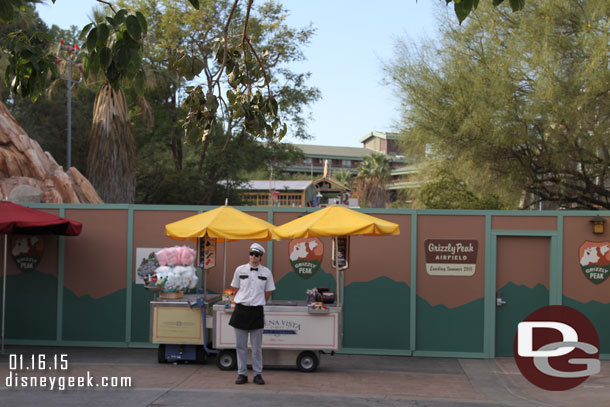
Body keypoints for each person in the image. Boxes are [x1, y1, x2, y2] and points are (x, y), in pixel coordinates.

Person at [228, 242, 275, 385]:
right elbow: (235, 289)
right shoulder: (239, 270)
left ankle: (257, 374)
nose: (253, 257)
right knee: (240, 346)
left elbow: (269, 291)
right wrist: (242, 300)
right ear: (249, 255)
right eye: (252, 254)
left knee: (256, 348)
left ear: (261, 257)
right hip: (241, 310)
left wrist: (259, 300)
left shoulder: (266, 272)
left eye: (257, 255)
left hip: (256, 311)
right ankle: (242, 374)